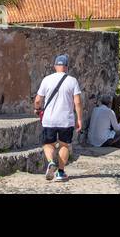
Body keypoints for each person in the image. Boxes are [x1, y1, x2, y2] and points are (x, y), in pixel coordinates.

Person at [35, 54, 84, 183]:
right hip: (66, 120)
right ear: (67, 67)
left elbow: (38, 100)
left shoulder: (46, 79)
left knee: (48, 144)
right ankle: (61, 172)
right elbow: (77, 102)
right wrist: (79, 119)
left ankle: (51, 162)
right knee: (64, 145)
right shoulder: (72, 81)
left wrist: (37, 109)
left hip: (49, 119)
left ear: (55, 66)